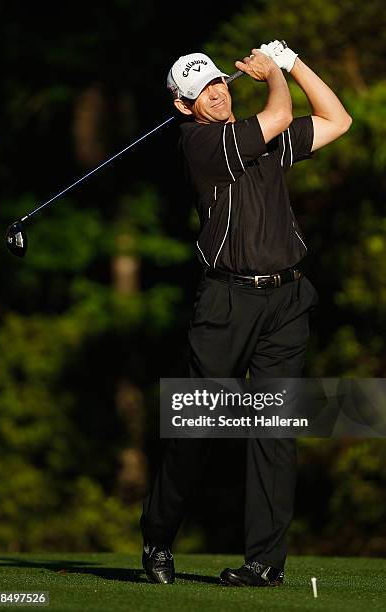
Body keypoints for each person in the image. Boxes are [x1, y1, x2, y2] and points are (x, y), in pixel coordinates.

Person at [140, 40, 352, 586]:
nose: (213, 95)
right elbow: (279, 113)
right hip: (226, 303)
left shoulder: (262, 143)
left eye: (216, 83)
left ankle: (264, 563)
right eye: (199, 92)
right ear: (183, 106)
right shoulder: (202, 144)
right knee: (199, 426)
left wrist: (298, 63)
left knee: (275, 430)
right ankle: (158, 538)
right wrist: (273, 74)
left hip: (286, 300)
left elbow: (338, 119)